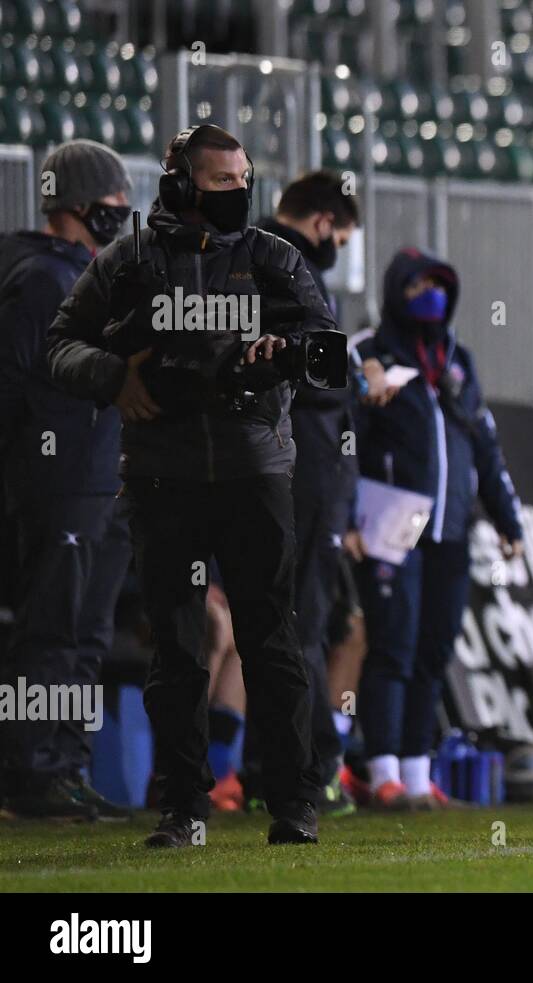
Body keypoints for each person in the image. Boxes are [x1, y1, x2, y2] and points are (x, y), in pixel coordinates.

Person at [45, 123, 334, 847]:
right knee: (175, 648)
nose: (240, 194)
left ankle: (295, 802)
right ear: (180, 188)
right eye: (223, 183)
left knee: (271, 638)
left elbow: (328, 352)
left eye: (244, 181)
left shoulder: (274, 259)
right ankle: (183, 809)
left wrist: (282, 356)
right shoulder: (128, 262)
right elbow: (58, 345)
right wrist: (116, 377)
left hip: (253, 468)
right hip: (161, 473)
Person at [352, 248, 523, 809]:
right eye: (418, 285)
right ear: (395, 290)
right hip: (391, 522)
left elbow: (485, 444)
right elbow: (338, 440)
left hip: (450, 526)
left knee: (432, 650)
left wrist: (506, 518)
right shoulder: (366, 353)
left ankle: (418, 773)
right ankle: (382, 773)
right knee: (393, 646)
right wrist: (345, 518)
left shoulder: (456, 360)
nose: (431, 295)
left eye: (439, 284)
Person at [0, 139, 135, 819]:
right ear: (77, 205)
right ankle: (30, 769)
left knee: (86, 632)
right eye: (112, 204)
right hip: (58, 482)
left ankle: (67, 762)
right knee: (54, 628)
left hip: (100, 476)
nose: (122, 214)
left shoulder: (84, 276)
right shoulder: (42, 278)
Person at [242, 170, 376, 817]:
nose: (339, 246)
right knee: (304, 619)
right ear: (324, 222)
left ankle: (272, 766)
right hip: (304, 467)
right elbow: (314, 373)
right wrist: (354, 375)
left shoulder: (262, 260)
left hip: (287, 465)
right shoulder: (285, 265)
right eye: (342, 236)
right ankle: (310, 768)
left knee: (288, 617)